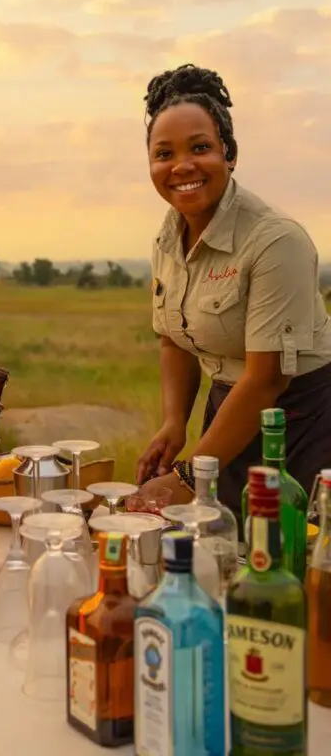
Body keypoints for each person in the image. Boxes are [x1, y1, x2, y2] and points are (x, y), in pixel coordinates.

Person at [135, 63, 331, 521]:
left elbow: (266, 379)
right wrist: (173, 424)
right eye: (164, 154)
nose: (182, 166)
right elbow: (173, 341)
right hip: (228, 415)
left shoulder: (275, 239)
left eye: (200, 148)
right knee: (223, 549)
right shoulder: (168, 238)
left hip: (303, 421)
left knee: (295, 563)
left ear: (230, 154)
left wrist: (187, 476)